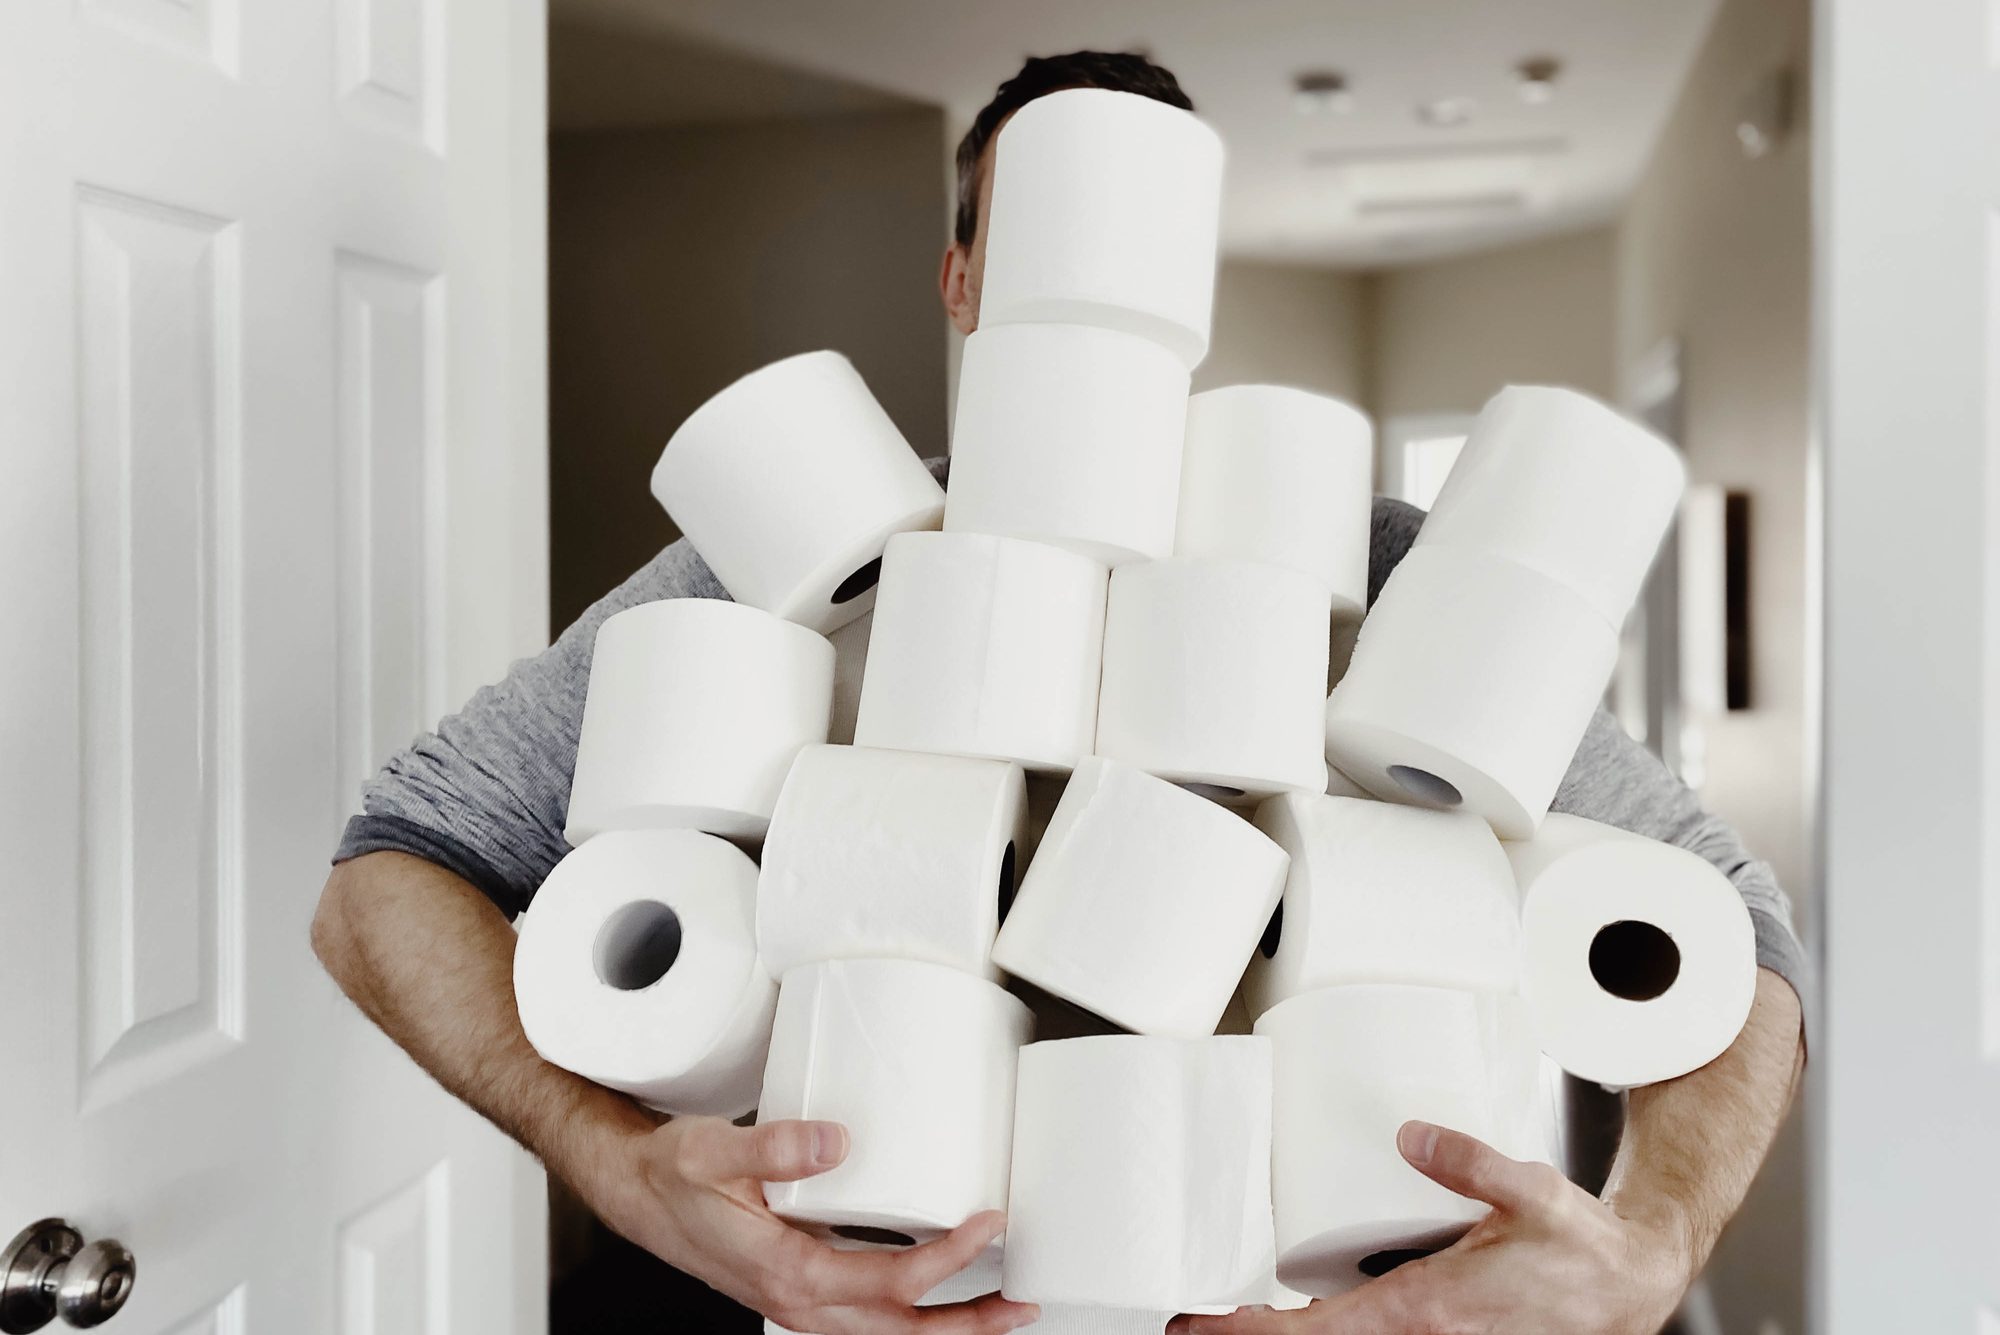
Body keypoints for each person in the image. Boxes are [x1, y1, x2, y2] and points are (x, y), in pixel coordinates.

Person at [314, 50, 1807, 1335]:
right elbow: (386, 869)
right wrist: (617, 1171)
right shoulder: (801, 548)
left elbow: (1728, 937)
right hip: (908, 1280)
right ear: (964, 277)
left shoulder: (1396, 576)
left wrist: (1650, 1248)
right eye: (1053, 226)